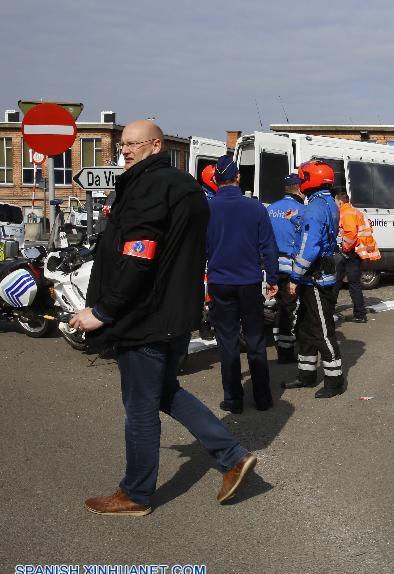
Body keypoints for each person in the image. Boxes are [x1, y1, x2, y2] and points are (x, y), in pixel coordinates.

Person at [71, 120, 256, 516]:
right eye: (122, 146)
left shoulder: (149, 186)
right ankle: (232, 456)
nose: (125, 152)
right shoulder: (183, 186)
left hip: (144, 316)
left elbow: (139, 255)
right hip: (173, 314)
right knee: (166, 392)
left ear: (156, 145)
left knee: (140, 407)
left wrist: (102, 311)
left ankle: (135, 494)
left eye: (133, 145)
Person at [206, 155, 279, 413]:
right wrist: (272, 278)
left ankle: (234, 400)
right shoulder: (256, 208)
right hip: (248, 281)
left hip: (219, 282)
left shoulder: (208, 208)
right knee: (256, 340)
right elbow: (268, 247)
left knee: (227, 342)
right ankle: (263, 398)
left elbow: (199, 249)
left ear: (216, 179)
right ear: (238, 178)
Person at [281, 161, 344, 398]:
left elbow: (310, 247)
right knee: (305, 328)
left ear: (311, 179)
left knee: (321, 330)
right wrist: (297, 219)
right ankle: (307, 375)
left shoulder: (315, 207)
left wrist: (295, 277)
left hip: (314, 280)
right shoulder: (325, 202)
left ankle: (334, 381)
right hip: (318, 277)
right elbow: (319, 229)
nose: (300, 180)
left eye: (303, 177)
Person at [267, 174, 306, 363]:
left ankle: (278, 342)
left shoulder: (271, 209)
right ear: (299, 189)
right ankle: (286, 351)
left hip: (273, 266)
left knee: (279, 307)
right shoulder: (302, 210)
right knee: (290, 309)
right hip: (292, 267)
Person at [333, 190, 381, 323]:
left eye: (335, 202)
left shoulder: (346, 212)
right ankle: (359, 313)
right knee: (351, 283)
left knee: (340, 281)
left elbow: (350, 232)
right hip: (356, 252)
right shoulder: (356, 211)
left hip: (350, 252)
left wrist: (344, 248)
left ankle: (356, 313)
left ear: (340, 202)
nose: (335, 204)